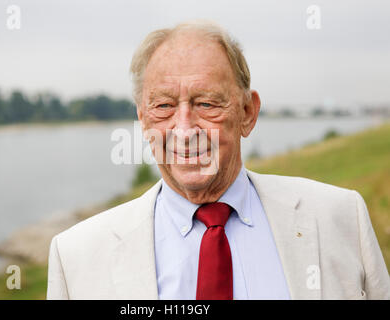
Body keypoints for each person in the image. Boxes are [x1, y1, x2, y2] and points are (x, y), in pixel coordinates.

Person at [47, 21, 390, 300]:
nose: (184, 129)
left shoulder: (341, 217)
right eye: (164, 106)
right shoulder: (76, 255)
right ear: (143, 120)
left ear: (247, 113)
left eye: (207, 103)